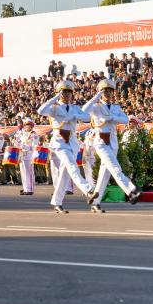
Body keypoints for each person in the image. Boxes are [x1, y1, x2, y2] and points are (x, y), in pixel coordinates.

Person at [83, 79, 142, 213]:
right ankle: (131, 190)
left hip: (113, 141)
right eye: (105, 91)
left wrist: (112, 118)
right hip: (101, 141)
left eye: (110, 91)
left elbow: (126, 119)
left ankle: (95, 203)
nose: (108, 93)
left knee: (104, 173)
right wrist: (97, 96)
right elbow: (84, 110)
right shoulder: (96, 106)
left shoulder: (116, 107)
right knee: (115, 168)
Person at [37, 80, 94, 214]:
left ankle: (56, 202)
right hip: (60, 143)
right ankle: (88, 190)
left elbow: (87, 117)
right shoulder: (54, 107)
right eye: (64, 92)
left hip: (72, 143)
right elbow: (40, 111)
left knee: (64, 174)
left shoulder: (74, 108)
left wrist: (76, 115)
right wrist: (55, 98)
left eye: (69, 92)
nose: (67, 95)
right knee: (73, 167)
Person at [14, 118, 38, 195]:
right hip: (22, 154)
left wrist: (26, 147)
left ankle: (30, 189)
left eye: (28, 125)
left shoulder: (33, 134)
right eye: (25, 125)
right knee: (23, 172)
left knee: (29, 172)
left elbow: (35, 146)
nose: (26, 126)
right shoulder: (23, 134)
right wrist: (16, 143)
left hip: (29, 154)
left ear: (31, 126)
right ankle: (25, 188)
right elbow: (18, 142)